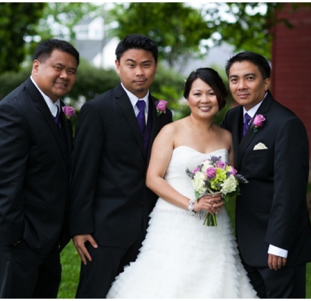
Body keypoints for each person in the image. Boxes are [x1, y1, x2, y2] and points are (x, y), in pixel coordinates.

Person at [106, 68, 258, 298]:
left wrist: (221, 196)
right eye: (197, 94)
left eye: (211, 93)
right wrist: (191, 204)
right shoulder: (171, 131)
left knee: (216, 281)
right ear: (188, 98)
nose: (204, 100)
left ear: (221, 97)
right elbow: (153, 178)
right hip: (173, 221)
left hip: (215, 224)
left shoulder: (226, 137)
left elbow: (231, 177)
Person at [68, 34, 174, 298]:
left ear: (156, 66)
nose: (139, 72)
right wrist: (80, 227)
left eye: (146, 64)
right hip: (105, 228)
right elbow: (82, 172)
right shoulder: (97, 109)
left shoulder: (164, 113)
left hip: (151, 227)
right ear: (117, 66)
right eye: (131, 64)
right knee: (95, 292)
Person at [0, 38, 78, 298]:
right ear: (36, 66)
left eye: (71, 71)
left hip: (46, 237)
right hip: (18, 239)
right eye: (58, 67)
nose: (64, 75)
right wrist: (15, 239)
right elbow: (3, 182)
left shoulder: (57, 111)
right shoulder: (12, 111)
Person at [219, 51, 311, 298]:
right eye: (234, 79)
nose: (241, 86)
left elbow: (290, 190)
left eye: (249, 78)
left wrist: (279, 244)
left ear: (266, 82)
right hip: (246, 239)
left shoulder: (286, 124)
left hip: (277, 244)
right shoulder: (232, 117)